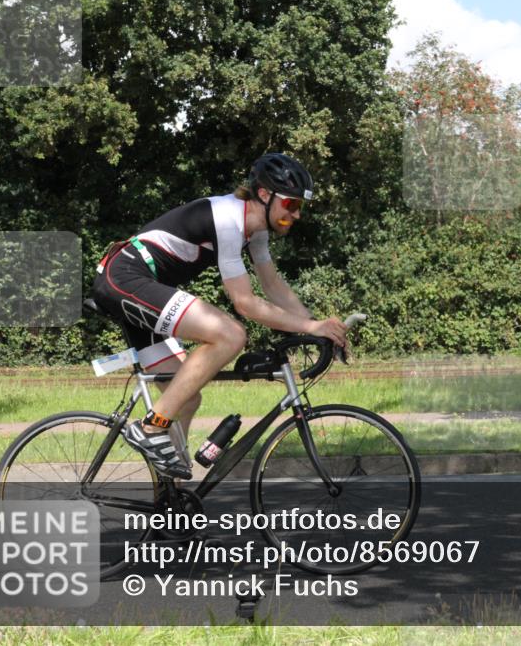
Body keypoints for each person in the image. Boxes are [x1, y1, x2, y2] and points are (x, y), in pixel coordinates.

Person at [91, 153, 348, 479]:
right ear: (265, 195)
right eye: (291, 205)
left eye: (300, 207)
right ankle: (149, 428)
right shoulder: (228, 218)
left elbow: (273, 286)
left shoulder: (256, 231)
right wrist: (311, 326)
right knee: (230, 334)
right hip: (125, 278)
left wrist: (318, 329)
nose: (296, 215)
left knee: (185, 398)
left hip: (142, 287)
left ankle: (171, 509)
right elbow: (245, 303)